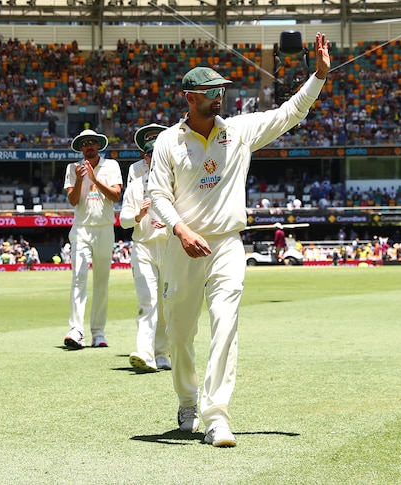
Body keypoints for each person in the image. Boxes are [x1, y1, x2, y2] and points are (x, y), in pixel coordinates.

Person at [147, 32, 331, 447]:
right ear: (190, 98)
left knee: (226, 325)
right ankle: (188, 400)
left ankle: (216, 416)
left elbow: (290, 112)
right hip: (182, 247)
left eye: (222, 91)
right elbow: (156, 194)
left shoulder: (240, 131)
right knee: (178, 334)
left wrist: (318, 77)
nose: (220, 98)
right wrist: (181, 229)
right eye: (212, 92)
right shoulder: (167, 142)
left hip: (228, 245)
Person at [62, 129, 122, 349]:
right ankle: (76, 330)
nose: (89, 146)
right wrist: (79, 180)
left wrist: (95, 178)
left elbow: (116, 196)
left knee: (101, 282)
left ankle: (98, 332)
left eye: (92, 143)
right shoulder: (72, 168)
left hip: (105, 229)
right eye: (85, 143)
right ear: (80, 148)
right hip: (81, 229)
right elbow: (73, 200)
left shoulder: (112, 166)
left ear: (98, 146)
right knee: (79, 277)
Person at [119, 140, 170, 373]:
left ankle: (163, 353)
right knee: (148, 299)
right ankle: (145, 354)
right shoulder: (135, 186)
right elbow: (123, 221)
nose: (155, 159)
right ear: (146, 158)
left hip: (169, 247)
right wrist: (139, 215)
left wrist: (168, 225)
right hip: (143, 247)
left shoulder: (175, 183)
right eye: (151, 155)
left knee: (167, 302)